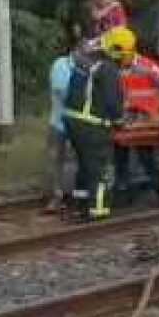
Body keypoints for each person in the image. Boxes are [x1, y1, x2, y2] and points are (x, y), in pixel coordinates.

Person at [62, 26, 130, 222]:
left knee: (85, 166)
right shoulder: (108, 69)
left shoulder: (88, 62)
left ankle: (81, 206)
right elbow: (112, 102)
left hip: (73, 120)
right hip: (92, 124)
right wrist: (119, 120)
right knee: (100, 168)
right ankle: (98, 210)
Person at [114, 40, 159, 207]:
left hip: (145, 117)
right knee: (120, 154)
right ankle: (124, 193)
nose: (121, 59)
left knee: (146, 156)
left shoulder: (148, 66)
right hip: (127, 117)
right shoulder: (118, 68)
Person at [44, 23, 83, 213]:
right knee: (56, 159)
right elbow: (61, 92)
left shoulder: (90, 68)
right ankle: (56, 195)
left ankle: (74, 196)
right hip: (60, 122)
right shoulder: (61, 65)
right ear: (75, 50)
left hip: (81, 123)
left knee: (76, 160)